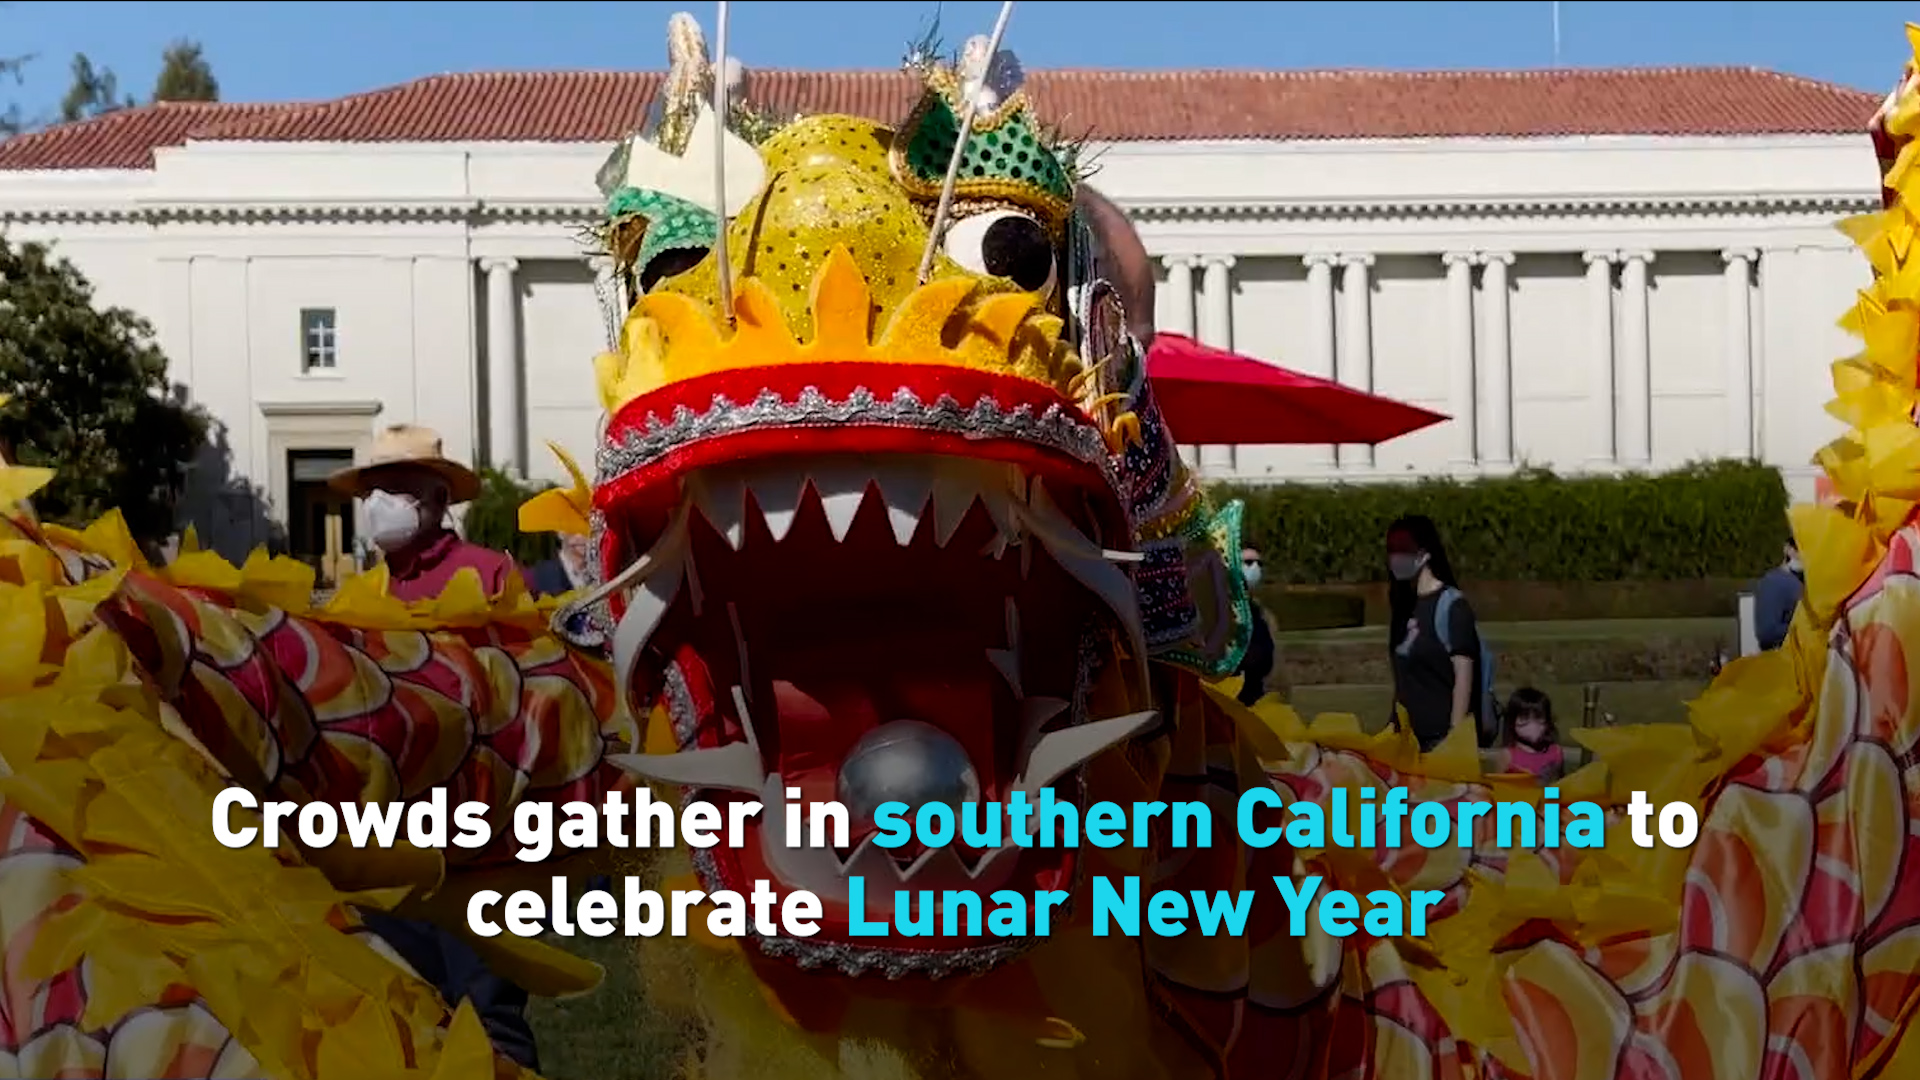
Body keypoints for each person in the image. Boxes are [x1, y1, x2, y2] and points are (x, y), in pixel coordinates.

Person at [326, 424, 541, 1071]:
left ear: (432, 495)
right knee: (400, 1004)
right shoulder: (355, 598)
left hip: (483, 841)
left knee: (488, 1011)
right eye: (369, 489)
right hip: (386, 840)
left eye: (390, 488)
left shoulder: (489, 577)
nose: (376, 503)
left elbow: (537, 687)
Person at [328, 424, 527, 601]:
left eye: (395, 487)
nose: (376, 502)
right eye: (369, 491)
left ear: (439, 498)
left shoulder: (495, 574)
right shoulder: (362, 594)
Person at [1385, 515, 1490, 752]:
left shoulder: (1452, 606)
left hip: (1439, 740)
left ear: (1425, 553)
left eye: (1403, 549)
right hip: (1405, 740)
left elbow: (1463, 677)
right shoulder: (1402, 607)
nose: (1396, 558)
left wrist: (1454, 739)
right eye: (1391, 550)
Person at [1492, 686, 1565, 784]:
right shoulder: (1507, 756)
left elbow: (1558, 786)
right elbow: (1497, 787)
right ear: (1512, 721)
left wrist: (1546, 795)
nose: (1532, 724)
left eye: (1539, 717)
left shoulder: (1556, 752)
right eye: (1524, 718)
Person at [1236, 547, 1279, 706]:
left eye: (1258, 563)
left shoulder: (1264, 615)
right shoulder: (1222, 610)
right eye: (1248, 562)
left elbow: (1272, 660)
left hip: (1257, 695)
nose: (1254, 567)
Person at [1753, 538, 1805, 652]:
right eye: (1802, 549)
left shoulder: (1806, 582)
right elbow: (1767, 632)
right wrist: (1805, 629)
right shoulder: (1774, 582)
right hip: (1784, 659)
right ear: (1788, 549)